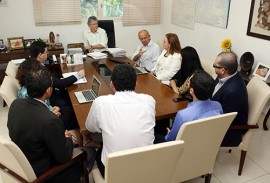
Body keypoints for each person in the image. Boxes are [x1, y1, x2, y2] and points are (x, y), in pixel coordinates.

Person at [8, 67, 96, 183]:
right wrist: (67, 138)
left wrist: (58, 135)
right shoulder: (49, 119)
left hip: (26, 159)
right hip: (47, 173)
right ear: (48, 90)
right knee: (90, 152)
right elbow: (64, 156)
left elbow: (34, 131)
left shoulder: (16, 104)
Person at [85, 64, 156, 177]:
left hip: (113, 172)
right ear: (136, 83)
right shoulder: (149, 101)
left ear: (111, 84)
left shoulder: (100, 102)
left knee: (99, 148)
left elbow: (90, 128)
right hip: (146, 168)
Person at [155, 70, 223, 143]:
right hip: (205, 142)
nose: (187, 83)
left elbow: (170, 139)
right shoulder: (218, 106)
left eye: (188, 82)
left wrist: (169, 134)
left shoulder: (183, 115)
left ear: (191, 91)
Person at [212, 51, 249, 146]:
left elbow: (223, 120)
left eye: (215, 65)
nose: (214, 67)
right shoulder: (226, 75)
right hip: (216, 113)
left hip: (229, 131)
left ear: (223, 70)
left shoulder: (233, 91)